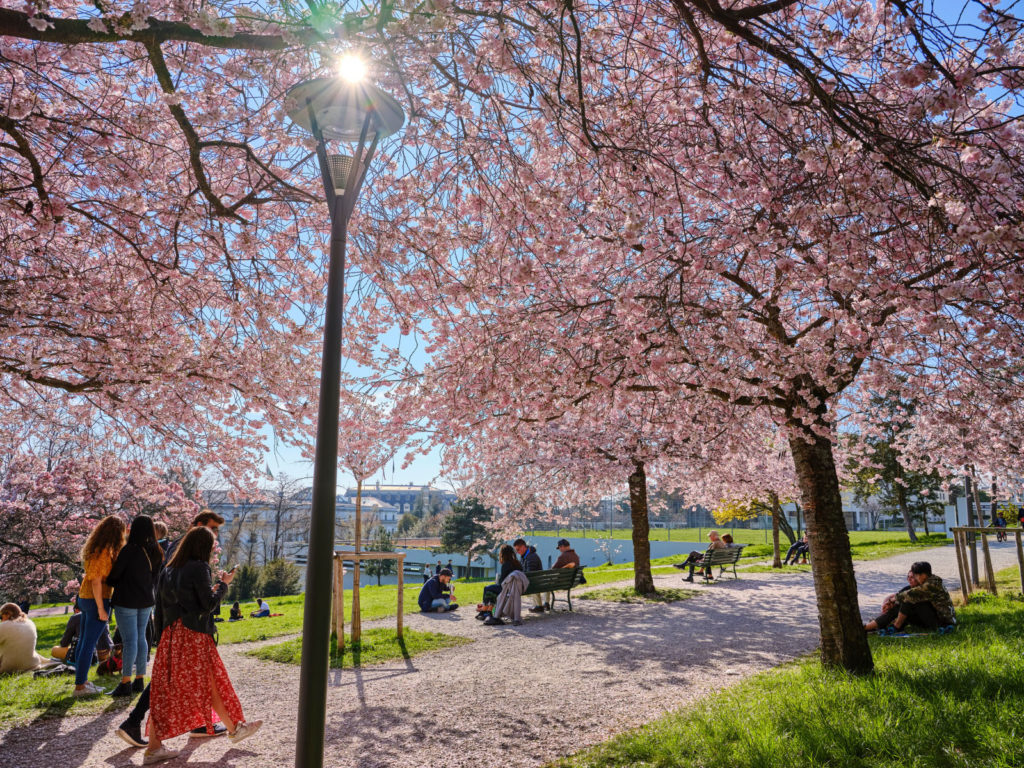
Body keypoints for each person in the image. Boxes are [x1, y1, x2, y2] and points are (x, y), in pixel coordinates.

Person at [142, 526, 262, 764]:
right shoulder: (199, 567)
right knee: (210, 681)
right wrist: (224, 585)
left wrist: (160, 638)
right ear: (204, 547)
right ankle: (235, 729)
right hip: (193, 636)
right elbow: (207, 605)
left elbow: (164, 606)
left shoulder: (168, 569)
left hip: (171, 635)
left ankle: (154, 748)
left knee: (165, 691)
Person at [116, 510, 226, 748]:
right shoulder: (183, 553)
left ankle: (195, 724)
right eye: (212, 528)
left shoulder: (184, 550)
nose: (215, 534)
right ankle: (138, 724)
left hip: (175, 626)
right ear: (197, 525)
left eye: (217, 529)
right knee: (168, 680)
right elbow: (170, 592)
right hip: (183, 628)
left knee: (177, 678)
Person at [107, 515, 163, 697]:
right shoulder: (157, 551)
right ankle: (140, 678)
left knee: (130, 640)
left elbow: (114, 577)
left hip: (127, 601)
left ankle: (125, 682)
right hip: (146, 600)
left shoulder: (129, 550)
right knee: (141, 639)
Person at [73, 515, 126, 697]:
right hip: (97, 599)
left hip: (85, 597)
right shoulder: (103, 552)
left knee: (84, 642)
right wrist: (102, 608)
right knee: (89, 644)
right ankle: (80, 686)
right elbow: (96, 581)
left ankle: (82, 682)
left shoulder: (94, 548)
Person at [864, 561, 955, 633]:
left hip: (942, 622)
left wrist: (893, 599)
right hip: (932, 618)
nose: (914, 578)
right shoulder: (930, 582)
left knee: (909, 600)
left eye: (915, 576)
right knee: (904, 603)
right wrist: (893, 603)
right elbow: (903, 596)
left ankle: (895, 627)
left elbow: (909, 594)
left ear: (923, 575)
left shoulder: (931, 585)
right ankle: (870, 627)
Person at [477, 545, 522, 620]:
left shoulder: (506, 564)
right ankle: (488, 611)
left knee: (487, 588)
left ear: (503, 554)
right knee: (491, 591)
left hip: (507, 589)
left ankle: (484, 610)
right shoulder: (517, 563)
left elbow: (502, 582)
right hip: (517, 589)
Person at [0, 602, 46, 674]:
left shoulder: (4, 625)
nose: (1, 620)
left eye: (1, 617)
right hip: (31, 664)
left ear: (8, 614)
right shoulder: (30, 623)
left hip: (8, 668)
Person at [544, 538, 580, 610]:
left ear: (562, 546)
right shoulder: (576, 556)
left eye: (560, 548)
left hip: (561, 582)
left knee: (546, 581)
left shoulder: (562, 556)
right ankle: (546, 603)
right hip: (570, 582)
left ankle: (546, 603)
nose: (560, 550)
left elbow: (553, 570)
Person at [513, 538, 545, 612]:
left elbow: (530, 573)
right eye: (516, 550)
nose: (517, 552)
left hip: (534, 582)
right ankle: (538, 606)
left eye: (518, 549)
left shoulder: (531, 557)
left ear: (523, 547)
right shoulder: (526, 556)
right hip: (536, 581)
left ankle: (513, 610)